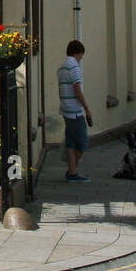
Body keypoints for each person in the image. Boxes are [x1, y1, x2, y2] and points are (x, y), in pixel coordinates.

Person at [57, 39, 93, 182]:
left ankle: (71, 172)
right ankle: (72, 171)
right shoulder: (74, 67)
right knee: (82, 142)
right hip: (75, 110)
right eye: (81, 55)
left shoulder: (61, 68)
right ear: (77, 53)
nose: (81, 58)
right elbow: (77, 89)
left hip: (65, 108)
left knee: (71, 142)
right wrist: (87, 108)